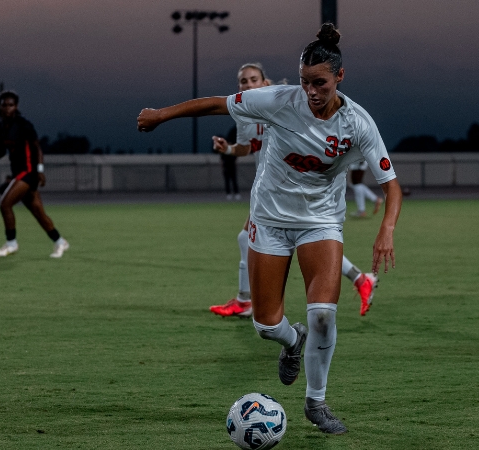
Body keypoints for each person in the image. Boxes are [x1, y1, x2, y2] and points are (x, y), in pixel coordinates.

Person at [138, 24, 402, 434]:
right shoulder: (279, 100)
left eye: (320, 83)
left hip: (321, 222)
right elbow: (215, 105)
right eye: (305, 82)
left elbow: (391, 186)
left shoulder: (358, 123)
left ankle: (316, 403)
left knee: (322, 317)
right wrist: (160, 115)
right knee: (265, 325)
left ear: (340, 77)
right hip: (270, 220)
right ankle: (291, 343)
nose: (311, 92)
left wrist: (386, 227)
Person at [209, 63, 379, 318]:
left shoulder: (278, 102)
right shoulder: (244, 113)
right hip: (271, 189)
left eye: (254, 79)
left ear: (264, 83)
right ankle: (359, 278)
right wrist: (229, 150)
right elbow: (247, 147)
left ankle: (247, 302)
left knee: (266, 239)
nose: (248, 85)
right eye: (243, 82)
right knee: (291, 240)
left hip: (297, 186)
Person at [0, 91, 69, 258]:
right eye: (4, 105)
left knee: (5, 204)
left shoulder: (23, 125)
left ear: (16, 107)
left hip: (29, 172)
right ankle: (60, 241)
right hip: (18, 172)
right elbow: (2, 151)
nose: (7, 108)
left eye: (11, 105)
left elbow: (37, 148)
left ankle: (11, 243)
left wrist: (40, 170)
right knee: (38, 213)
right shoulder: (0, 128)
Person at [219, 126, 241, 200]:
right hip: (226, 167)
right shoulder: (224, 150)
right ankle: (228, 193)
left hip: (232, 167)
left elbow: (235, 159)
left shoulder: (232, 150)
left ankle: (236, 193)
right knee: (227, 181)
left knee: (234, 180)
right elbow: (221, 160)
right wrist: (222, 167)